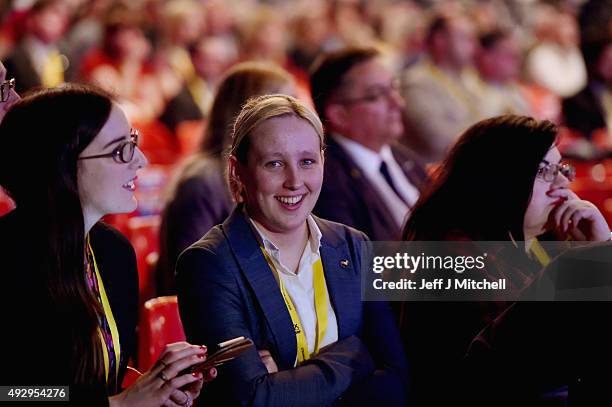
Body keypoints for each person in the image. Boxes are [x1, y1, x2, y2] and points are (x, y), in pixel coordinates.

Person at [176, 94, 408, 406]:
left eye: (307, 161)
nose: (295, 181)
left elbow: (396, 375)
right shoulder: (209, 264)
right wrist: (358, 354)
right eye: (274, 164)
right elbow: (253, 398)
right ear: (237, 171)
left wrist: (287, 378)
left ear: (323, 162)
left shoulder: (354, 246)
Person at [0, 84, 215, 406]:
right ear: (64, 165)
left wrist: (155, 386)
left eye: (133, 142)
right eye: (120, 150)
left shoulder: (112, 250)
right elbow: (13, 393)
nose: (140, 160)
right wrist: (118, 403)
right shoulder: (8, 259)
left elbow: (102, 381)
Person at [400, 115, 610, 406]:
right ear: (498, 180)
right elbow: (525, 363)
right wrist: (595, 260)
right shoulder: (455, 257)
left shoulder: (540, 240)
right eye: (541, 171)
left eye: (561, 169)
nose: (562, 182)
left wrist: (600, 247)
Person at [157, 61, 295, 295]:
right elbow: (193, 277)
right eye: (285, 108)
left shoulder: (295, 174)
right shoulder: (202, 183)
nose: (298, 117)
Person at [310, 45, 429, 241]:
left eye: (394, 88)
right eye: (376, 95)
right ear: (339, 115)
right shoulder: (327, 183)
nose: (398, 103)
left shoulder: (407, 159)